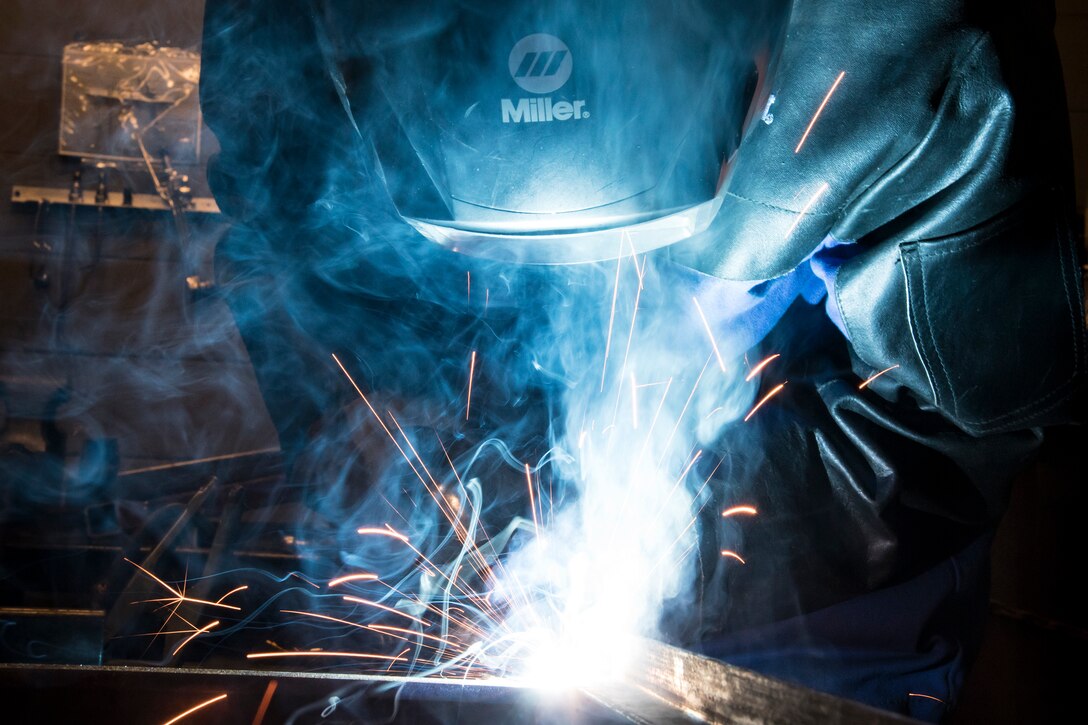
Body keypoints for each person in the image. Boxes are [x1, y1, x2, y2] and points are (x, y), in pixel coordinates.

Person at [200, 0, 1085, 719]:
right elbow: (281, 240)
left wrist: (674, 542)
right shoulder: (289, 33)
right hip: (470, 576)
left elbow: (954, 418)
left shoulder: (912, 48)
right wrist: (362, 435)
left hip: (823, 604)